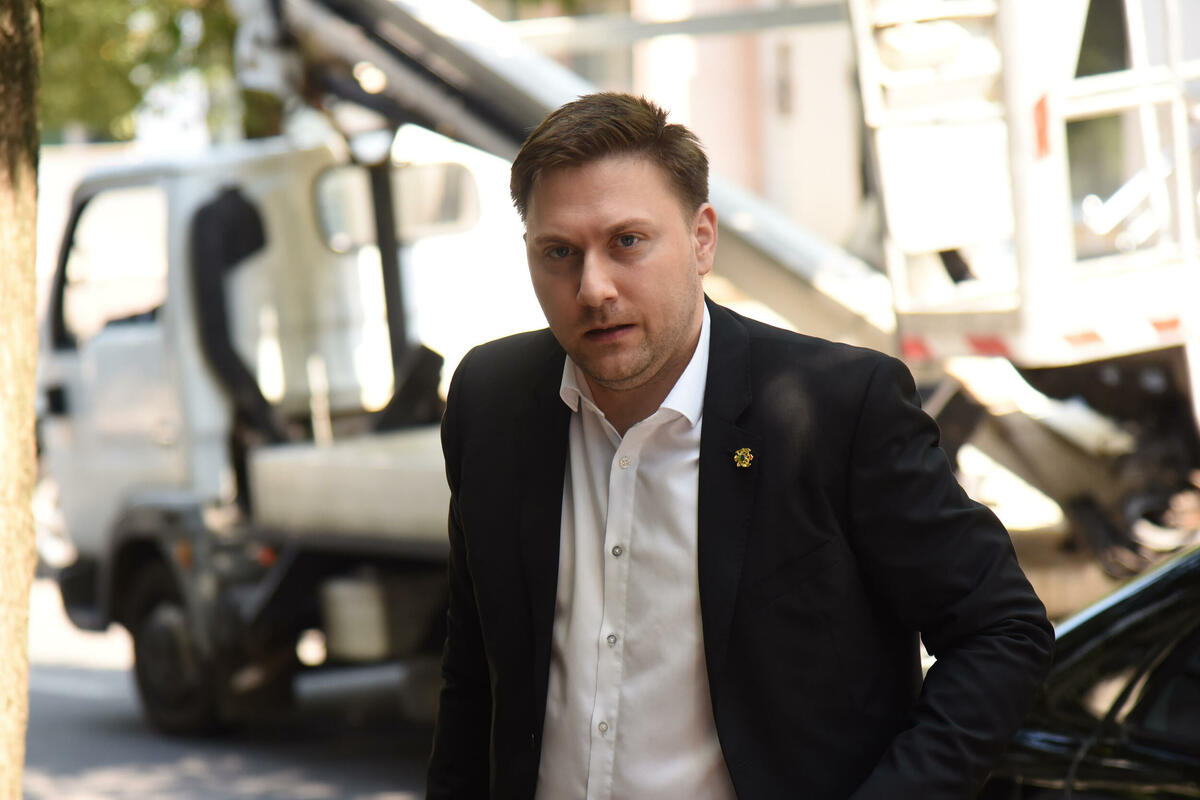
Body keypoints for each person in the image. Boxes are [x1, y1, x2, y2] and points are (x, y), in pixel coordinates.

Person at [426, 92, 1053, 800]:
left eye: (626, 242)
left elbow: (1002, 631)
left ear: (702, 240)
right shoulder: (492, 400)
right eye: (559, 252)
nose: (593, 288)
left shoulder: (837, 409)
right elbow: (474, 673)